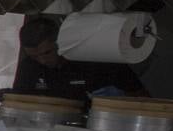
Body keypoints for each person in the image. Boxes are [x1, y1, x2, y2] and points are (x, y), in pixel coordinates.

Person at [11, 16, 148, 101]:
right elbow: (19, 101)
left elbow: (143, 99)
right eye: (34, 56)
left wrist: (121, 100)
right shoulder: (29, 67)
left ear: (60, 42)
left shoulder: (98, 61)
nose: (42, 61)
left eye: (47, 53)